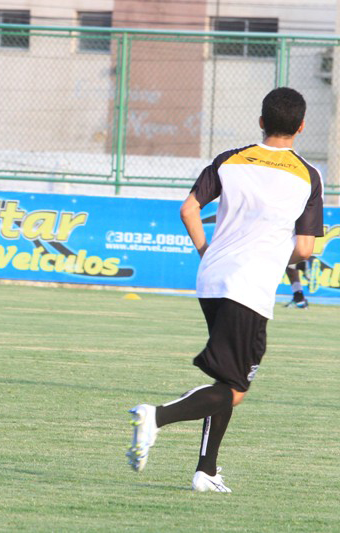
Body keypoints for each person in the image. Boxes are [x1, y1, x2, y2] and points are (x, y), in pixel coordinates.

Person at [126, 87, 323, 492]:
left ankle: (206, 471)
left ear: (261, 122)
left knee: (226, 379)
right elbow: (304, 249)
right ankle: (155, 416)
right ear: (301, 126)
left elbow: (188, 209)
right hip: (248, 286)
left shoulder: (230, 160)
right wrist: (272, 258)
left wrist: (206, 251)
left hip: (212, 278)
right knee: (234, 390)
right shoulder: (308, 175)